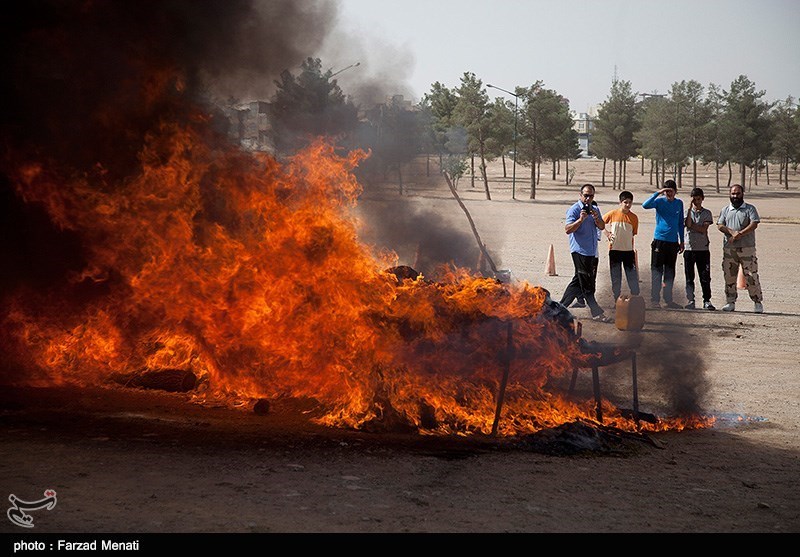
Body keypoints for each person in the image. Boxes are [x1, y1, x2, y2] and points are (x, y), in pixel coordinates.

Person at [558, 184, 612, 322]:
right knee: (587, 283)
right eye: (586, 195)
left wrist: (596, 218)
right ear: (580, 195)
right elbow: (568, 229)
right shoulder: (574, 210)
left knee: (578, 281)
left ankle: (558, 309)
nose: (588, 198)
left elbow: (601, 226)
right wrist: (580, 220)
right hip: (579, 251)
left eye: (591, 196)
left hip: (592, 252)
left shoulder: (595, 209)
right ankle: (597, 312)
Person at [717, 184, 764, 313]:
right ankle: (730, 302)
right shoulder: (726, 210)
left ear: (742, 194)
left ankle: (757, 302)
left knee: (751, 276)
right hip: (729, 249)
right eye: (733, 194)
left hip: (747, 248)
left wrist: (740, 234)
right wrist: (732, 232)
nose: (735, 196)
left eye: (738, 193)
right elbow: (720, 225)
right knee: (729, 276)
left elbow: (754, 224)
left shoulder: (749, 209)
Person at [641, 179, 684, 309]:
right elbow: (645, 205)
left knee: (670, 272)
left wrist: (681, 240)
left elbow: (680, 223)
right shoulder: (659, 201)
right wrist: (658, 193)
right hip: (659, 240)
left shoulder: (679, 203)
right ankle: (655, 300)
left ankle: (668, 300)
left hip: (673, 242)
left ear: (675, 191)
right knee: (657, 271)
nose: (669, 194)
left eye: (671, 191)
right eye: (667, 192)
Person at [602, 190, 640, 301]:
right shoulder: (612, 214)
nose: (628, 205)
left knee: (631, 275)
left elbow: (633, 233)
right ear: (620, 202)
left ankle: (635, 298)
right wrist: (607, 233)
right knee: (616, 276)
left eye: (630, 202)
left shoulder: (634, 217)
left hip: (628, 251)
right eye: (625, 202)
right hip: (614, 250)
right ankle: (616, 299)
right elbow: (599, 224)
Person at [683, 187, 715, 310]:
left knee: (705, 276)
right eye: (694, 200)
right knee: (689, 277)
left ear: (702, 199)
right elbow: (688, 224)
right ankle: (691, 300)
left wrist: (692, 226)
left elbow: (703, 229)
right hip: (689, 249)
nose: (697, 202)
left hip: (703, 249)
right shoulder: (687, 212)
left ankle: (707, 300)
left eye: (698, 199)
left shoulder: (707, 213)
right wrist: (690, 209)